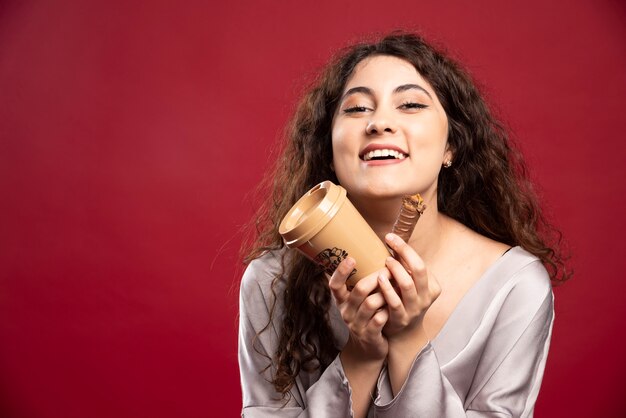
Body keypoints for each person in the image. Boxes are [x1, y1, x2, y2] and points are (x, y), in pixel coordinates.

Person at [238, 32, 570, 418]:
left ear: (452, 146)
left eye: (410, 104)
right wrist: (361, 354)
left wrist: (408, 340)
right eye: (357, 108)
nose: (379, 122)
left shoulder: (514, 285)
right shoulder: (270, 281)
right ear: (328, 146)